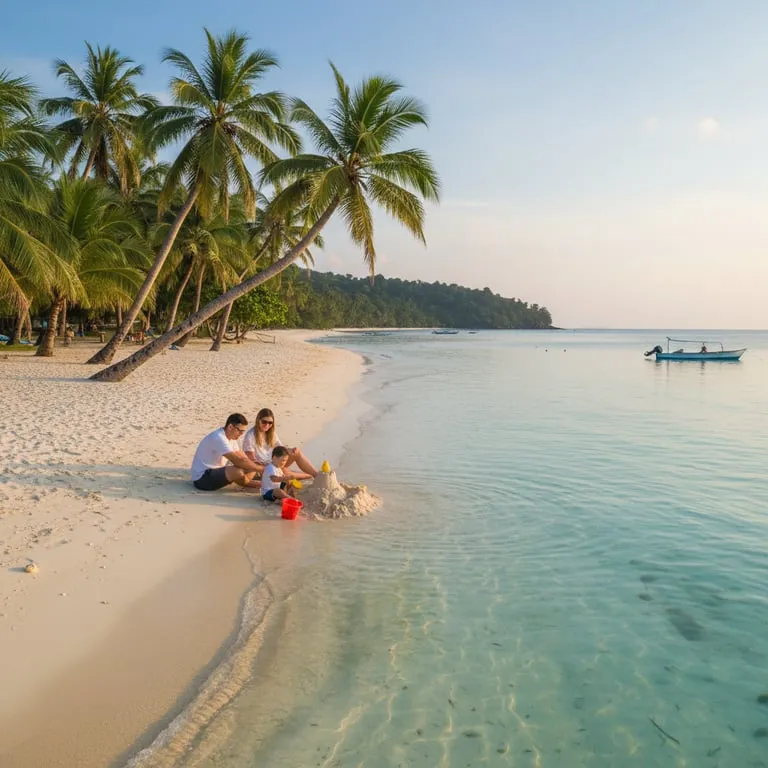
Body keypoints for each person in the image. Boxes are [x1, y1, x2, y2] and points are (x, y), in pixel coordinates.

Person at [190, 413, 263, 491]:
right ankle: (253, 483)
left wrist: (256, 465)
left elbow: (243, 457)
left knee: (252, 464)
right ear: (230, 427)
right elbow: (238, 461)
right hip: (202, 478)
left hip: (217, 472)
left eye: (243, 431)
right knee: (237, 471)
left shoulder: (231, 438)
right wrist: (261, 469)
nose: (241, 434)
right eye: (240, 431)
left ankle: (249, 481)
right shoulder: (218, 437)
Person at [242, 407, 318, 477]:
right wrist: (267, 468)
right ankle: (308, 475)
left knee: (296, 452)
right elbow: (252, 460)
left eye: (270, 423)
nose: (267, 425)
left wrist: (289, 450)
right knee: (284, 473)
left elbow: (280, 448)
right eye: (264, 422)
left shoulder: (271, 433)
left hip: (276, 460)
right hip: (264, 467)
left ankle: (317, 475)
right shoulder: (250, 436)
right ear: (258, 420)